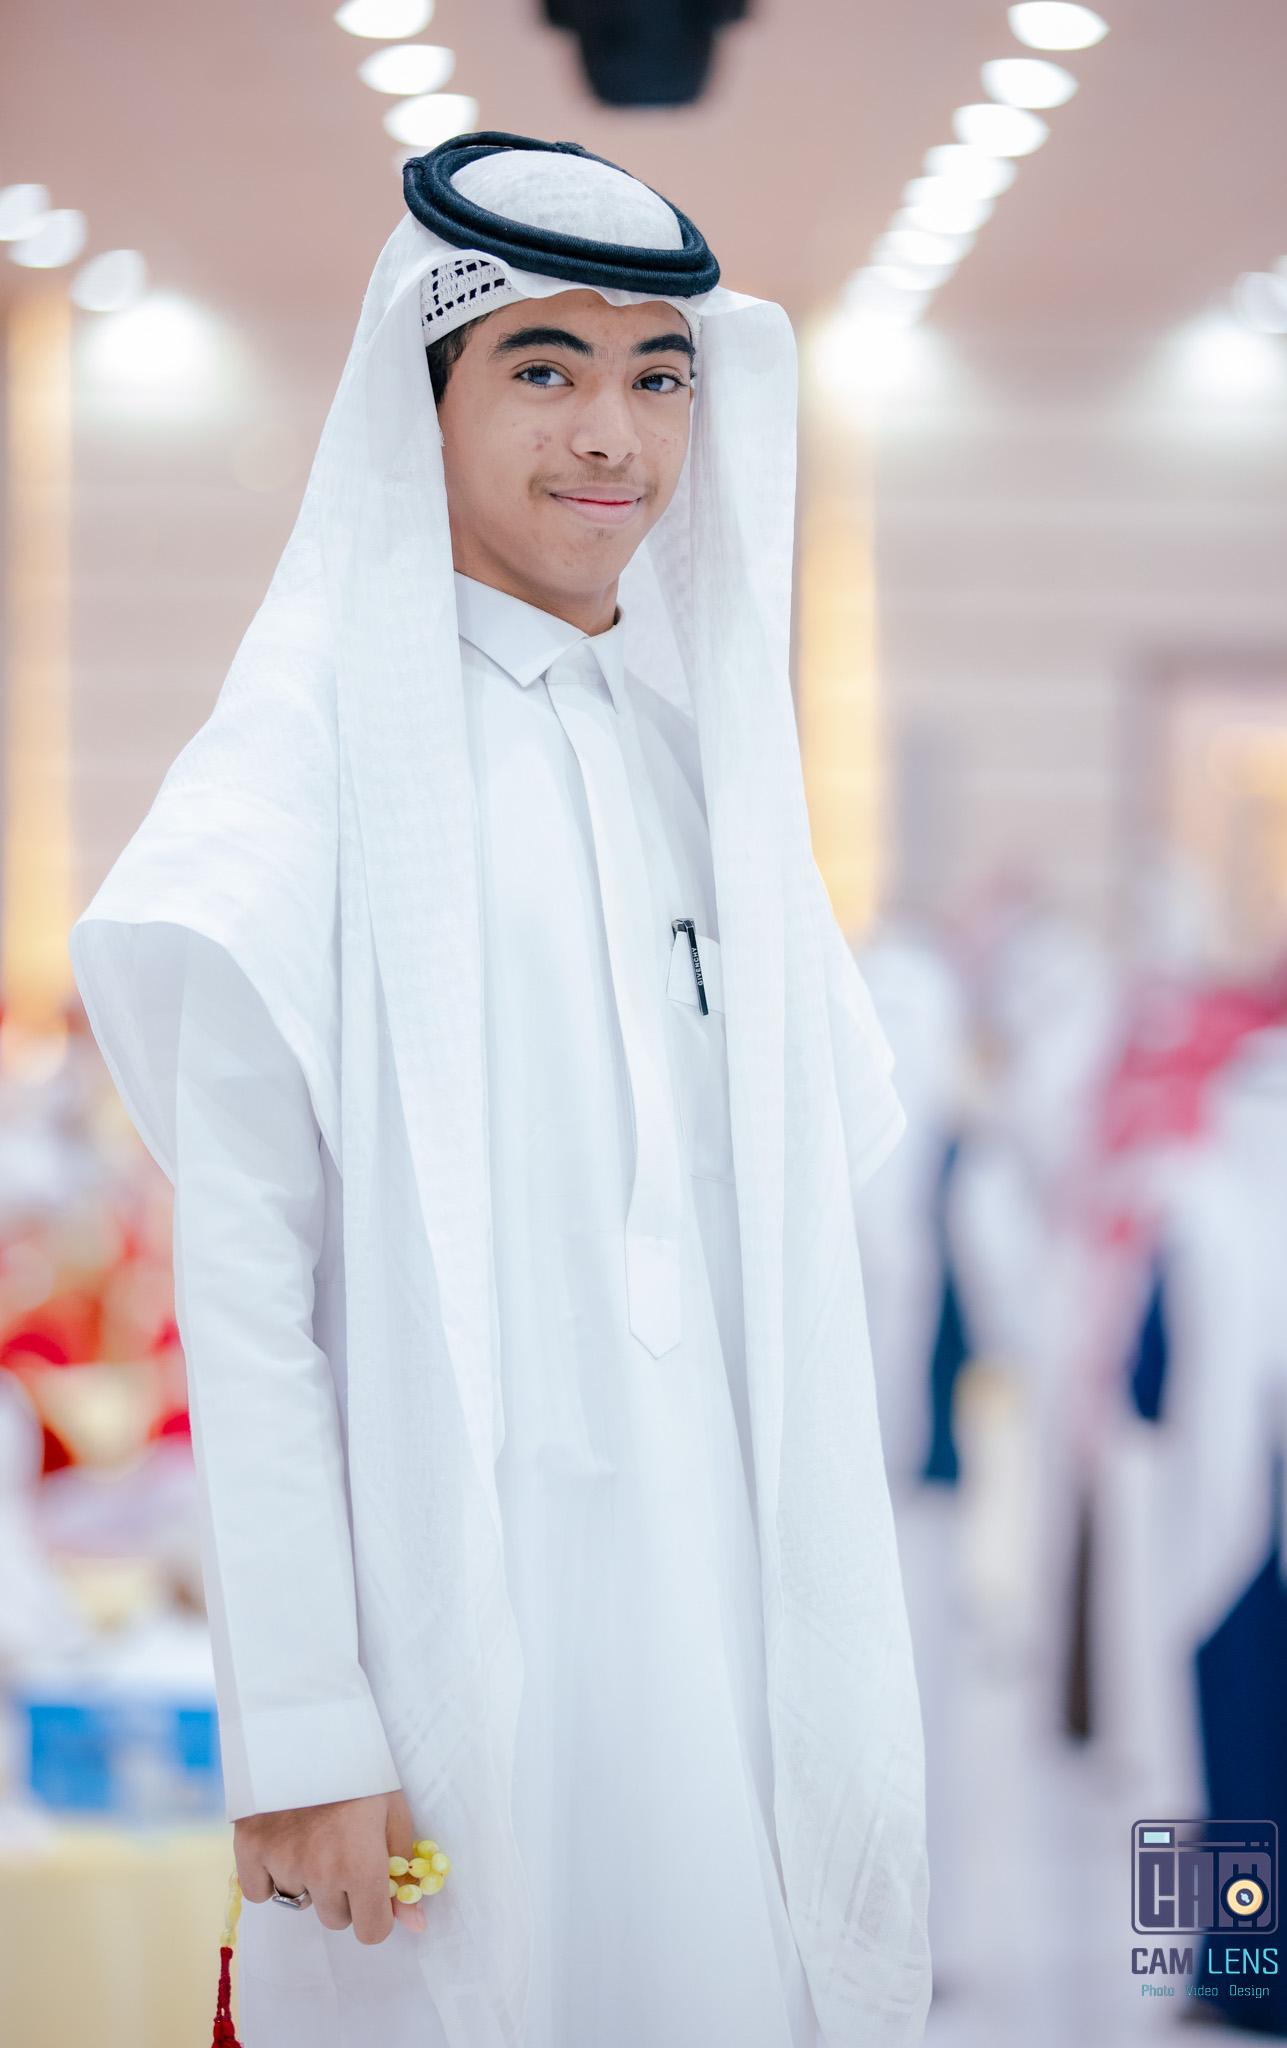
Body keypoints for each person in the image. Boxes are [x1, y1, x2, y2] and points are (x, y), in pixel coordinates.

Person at [71, 134, 928, 2048]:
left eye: (656, 376)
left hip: (713, 1618)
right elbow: (247, 1288)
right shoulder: (298, 780)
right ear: (429, 399)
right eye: (543, 367)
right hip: (444, 1627)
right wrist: (304, 1725)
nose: (609, 432)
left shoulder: (706, 774)